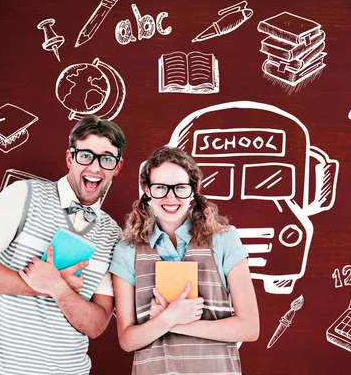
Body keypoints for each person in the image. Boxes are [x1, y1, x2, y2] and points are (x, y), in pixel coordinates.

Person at [0, 115, 126, 375]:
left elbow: (96, 324)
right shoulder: (23, 195)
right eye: (85, 155)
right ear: (70, 158)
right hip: (3, 370)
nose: (95, 167)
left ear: (117, 167)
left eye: (107, 159)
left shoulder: (112, 234)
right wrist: (42, 286)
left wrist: (57, 287)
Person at [110, 146, 259, 375]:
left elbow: (249, 328)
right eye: (160, 188)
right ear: (147, 191)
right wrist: (168, 317)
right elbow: (128, 340)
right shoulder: (127, 251)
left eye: (180, 187)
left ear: (193, 190)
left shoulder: (224, 239)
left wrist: (174, 322)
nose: (170, 197)